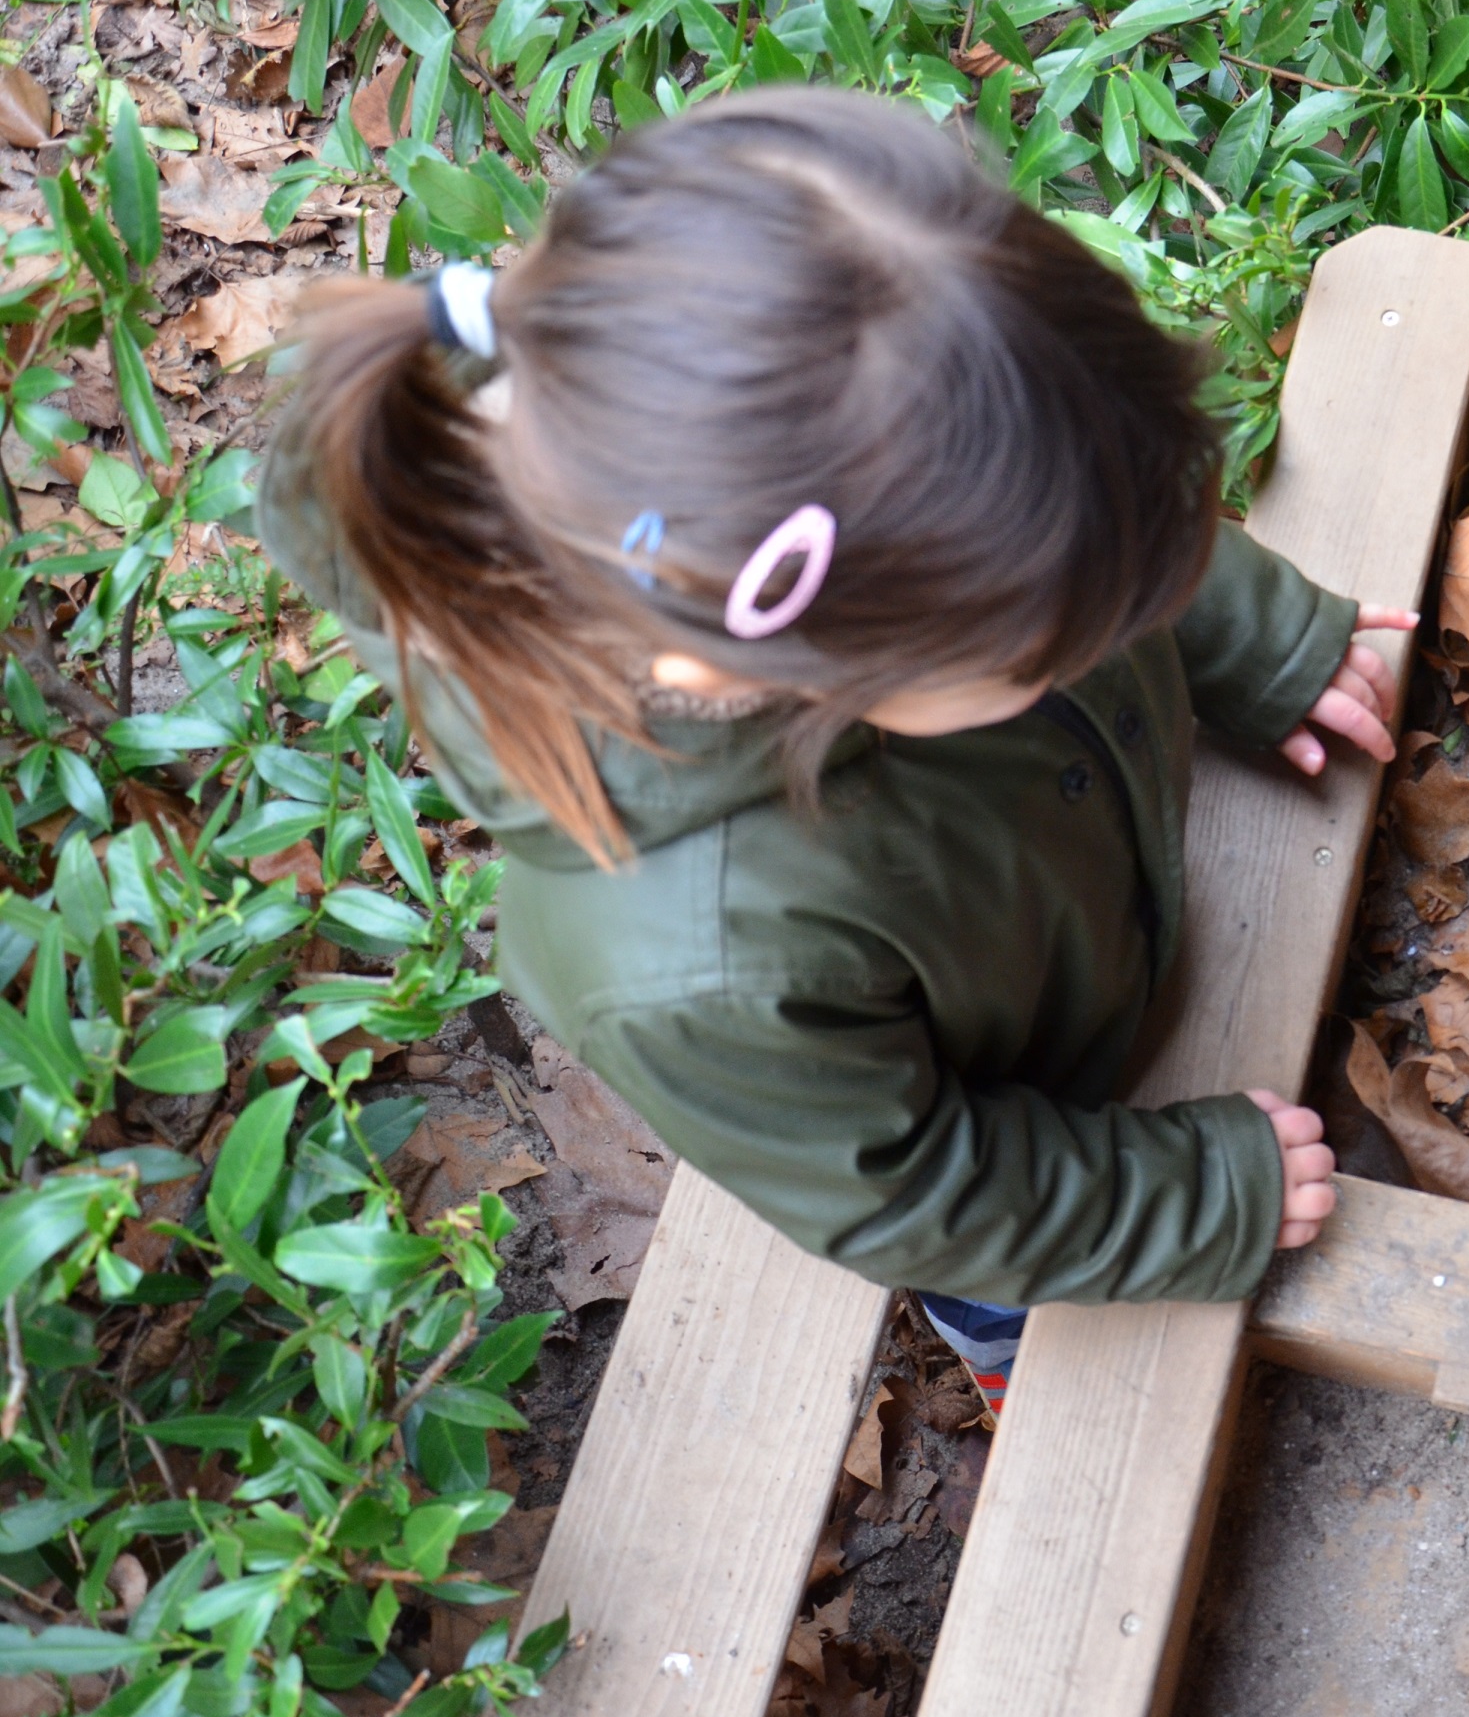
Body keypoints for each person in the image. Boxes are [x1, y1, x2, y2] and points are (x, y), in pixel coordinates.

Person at [259, 86, 1411, 1416]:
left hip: (1056, 897)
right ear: (787, 670)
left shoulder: (845, 471)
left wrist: (1247, 634)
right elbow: (914, 1186)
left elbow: (1069, 493)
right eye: (1054, 639)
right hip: (1009, 1142)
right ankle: (1006, 1361)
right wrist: (1183, 1200)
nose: (1112, 620)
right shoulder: (693, 972)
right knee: (1012, 1302)